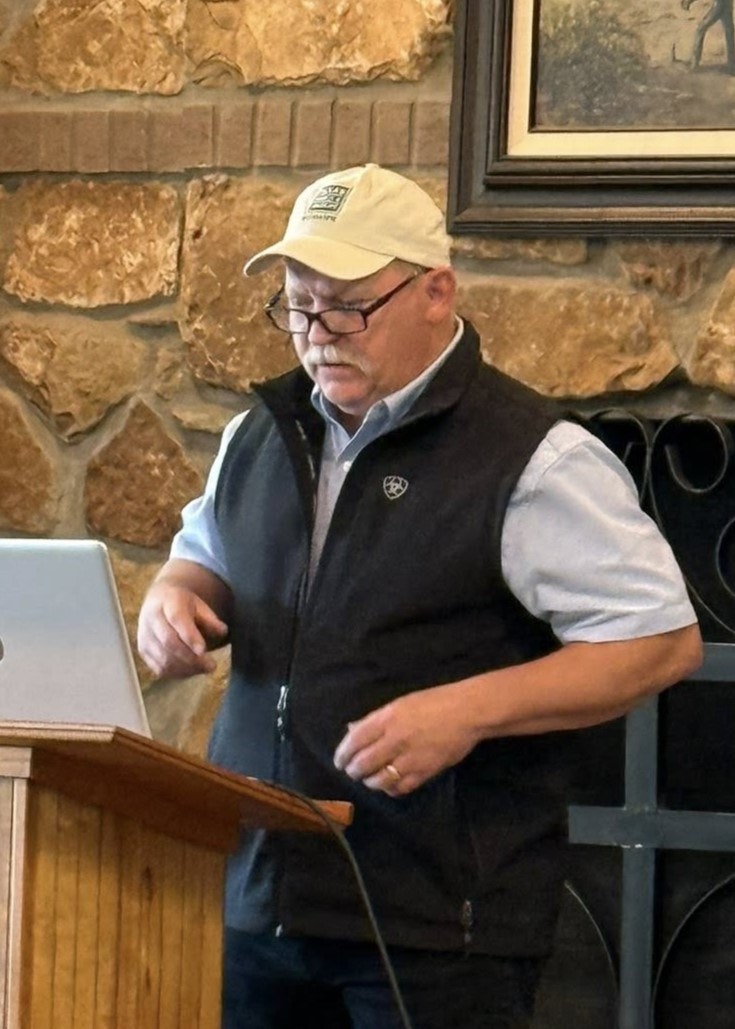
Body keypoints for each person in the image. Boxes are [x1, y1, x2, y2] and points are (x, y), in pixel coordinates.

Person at [137, 163, 702, 1029]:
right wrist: (175, 593)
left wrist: (467, 710)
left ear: (436, 291)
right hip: (259, 896)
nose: (318, 333)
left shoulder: (534, 458)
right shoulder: (259, 433)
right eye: (297, 303)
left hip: (438, 929)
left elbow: (658, 640)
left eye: (348, 305)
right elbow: (205, 550)